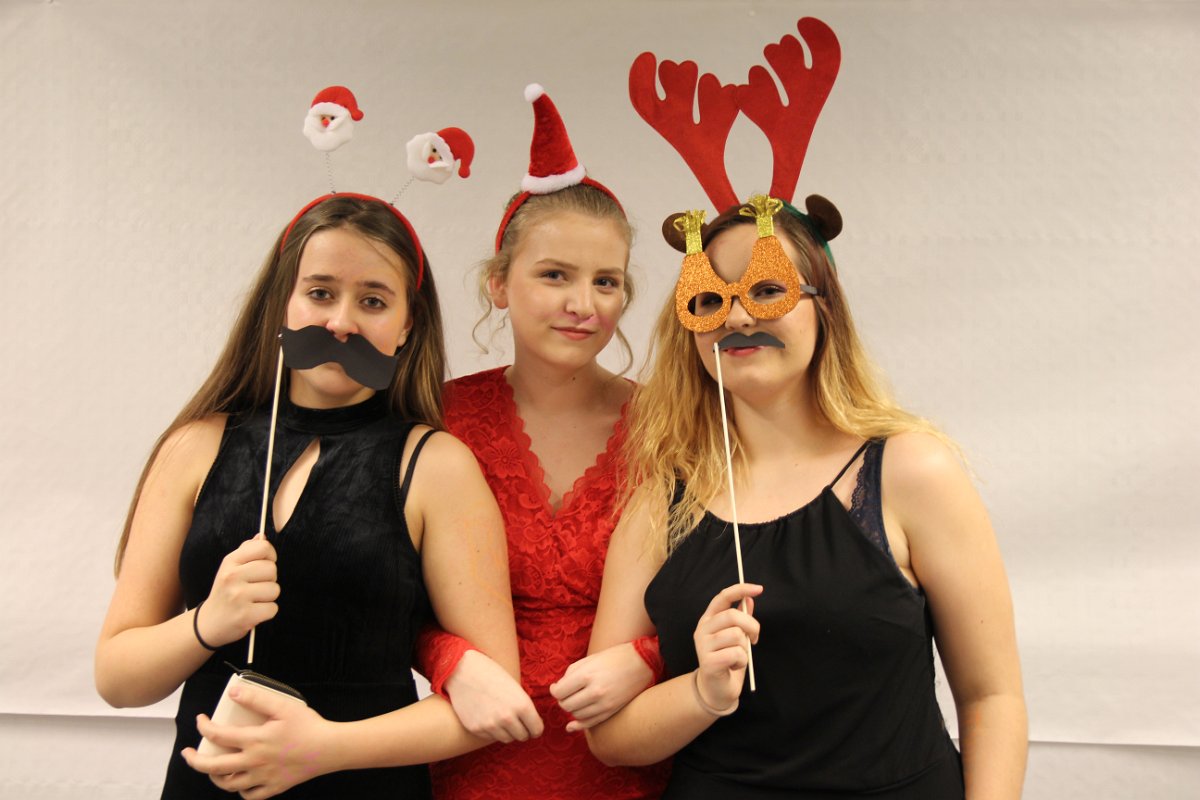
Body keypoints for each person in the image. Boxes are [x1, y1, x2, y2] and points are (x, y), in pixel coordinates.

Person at [585, 194, 1027, 798]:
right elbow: (608, 738)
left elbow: (992, 697)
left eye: (768, 290)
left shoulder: (910, 470)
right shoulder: (661, 502)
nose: (738, 317)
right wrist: (701, 693)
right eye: (710, 300)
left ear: (826, 309)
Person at [95, 194, 521, 799]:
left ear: (407, 325)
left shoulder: (437, 466)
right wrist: (207, 623)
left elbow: (495, 706)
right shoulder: (194, 448)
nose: (341, 323)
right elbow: (116, 679)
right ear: (284, 304)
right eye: (321, 293)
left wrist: (325, 748)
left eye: (373, 301)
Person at [413, 84, 671, 799]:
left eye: (606, 282)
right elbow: (380, 594)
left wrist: (651, 657)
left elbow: (726, 587)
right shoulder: (438, 419)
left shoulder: (670, 426)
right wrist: (448, 660)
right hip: (474, 760)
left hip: (630, 765)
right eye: (554, 275)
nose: (582, 305)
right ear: (499, 285)